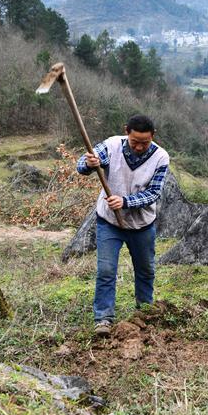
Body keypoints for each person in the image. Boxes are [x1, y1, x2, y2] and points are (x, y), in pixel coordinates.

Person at [77, 114, 170, 336]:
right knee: (106, 270)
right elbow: (82, 165)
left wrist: (125, 202)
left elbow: (154, 193)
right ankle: (103, 319)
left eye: (144, 142)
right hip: (109, 222)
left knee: (145, 270)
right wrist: (89, 164)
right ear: (126, 131)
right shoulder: (111, 146)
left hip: (142, 225)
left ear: (153, 136)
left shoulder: (161, 157)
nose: (139, 147)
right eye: (135, 141)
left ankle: (145, 311)